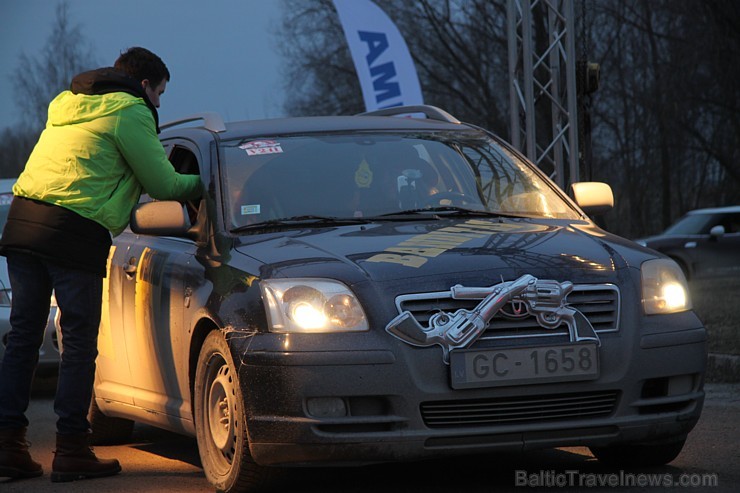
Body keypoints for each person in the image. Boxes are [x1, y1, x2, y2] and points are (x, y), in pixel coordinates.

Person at [0, 47, 202, 483]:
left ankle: (8, 448)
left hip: (22, 221)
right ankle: (72, 449)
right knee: (78, 345)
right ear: (144, 85)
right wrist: (215, 181)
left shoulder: (68, 104)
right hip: (73, 233)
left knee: (22, 338)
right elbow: (164, 183)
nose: (161, 103)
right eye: (161, 92)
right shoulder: (130, 111)